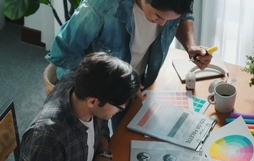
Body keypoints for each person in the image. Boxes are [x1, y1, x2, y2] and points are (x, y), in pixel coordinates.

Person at [45, 0, 213, 128]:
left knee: (129, 140)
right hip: (93, 87)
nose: (163, 24)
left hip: (134, 82)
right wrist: (116, 82)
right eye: (158, 16)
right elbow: (62, 54)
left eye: (169, 20)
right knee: (92, 154)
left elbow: (183, 15)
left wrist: (191, 46)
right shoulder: (99, 7)